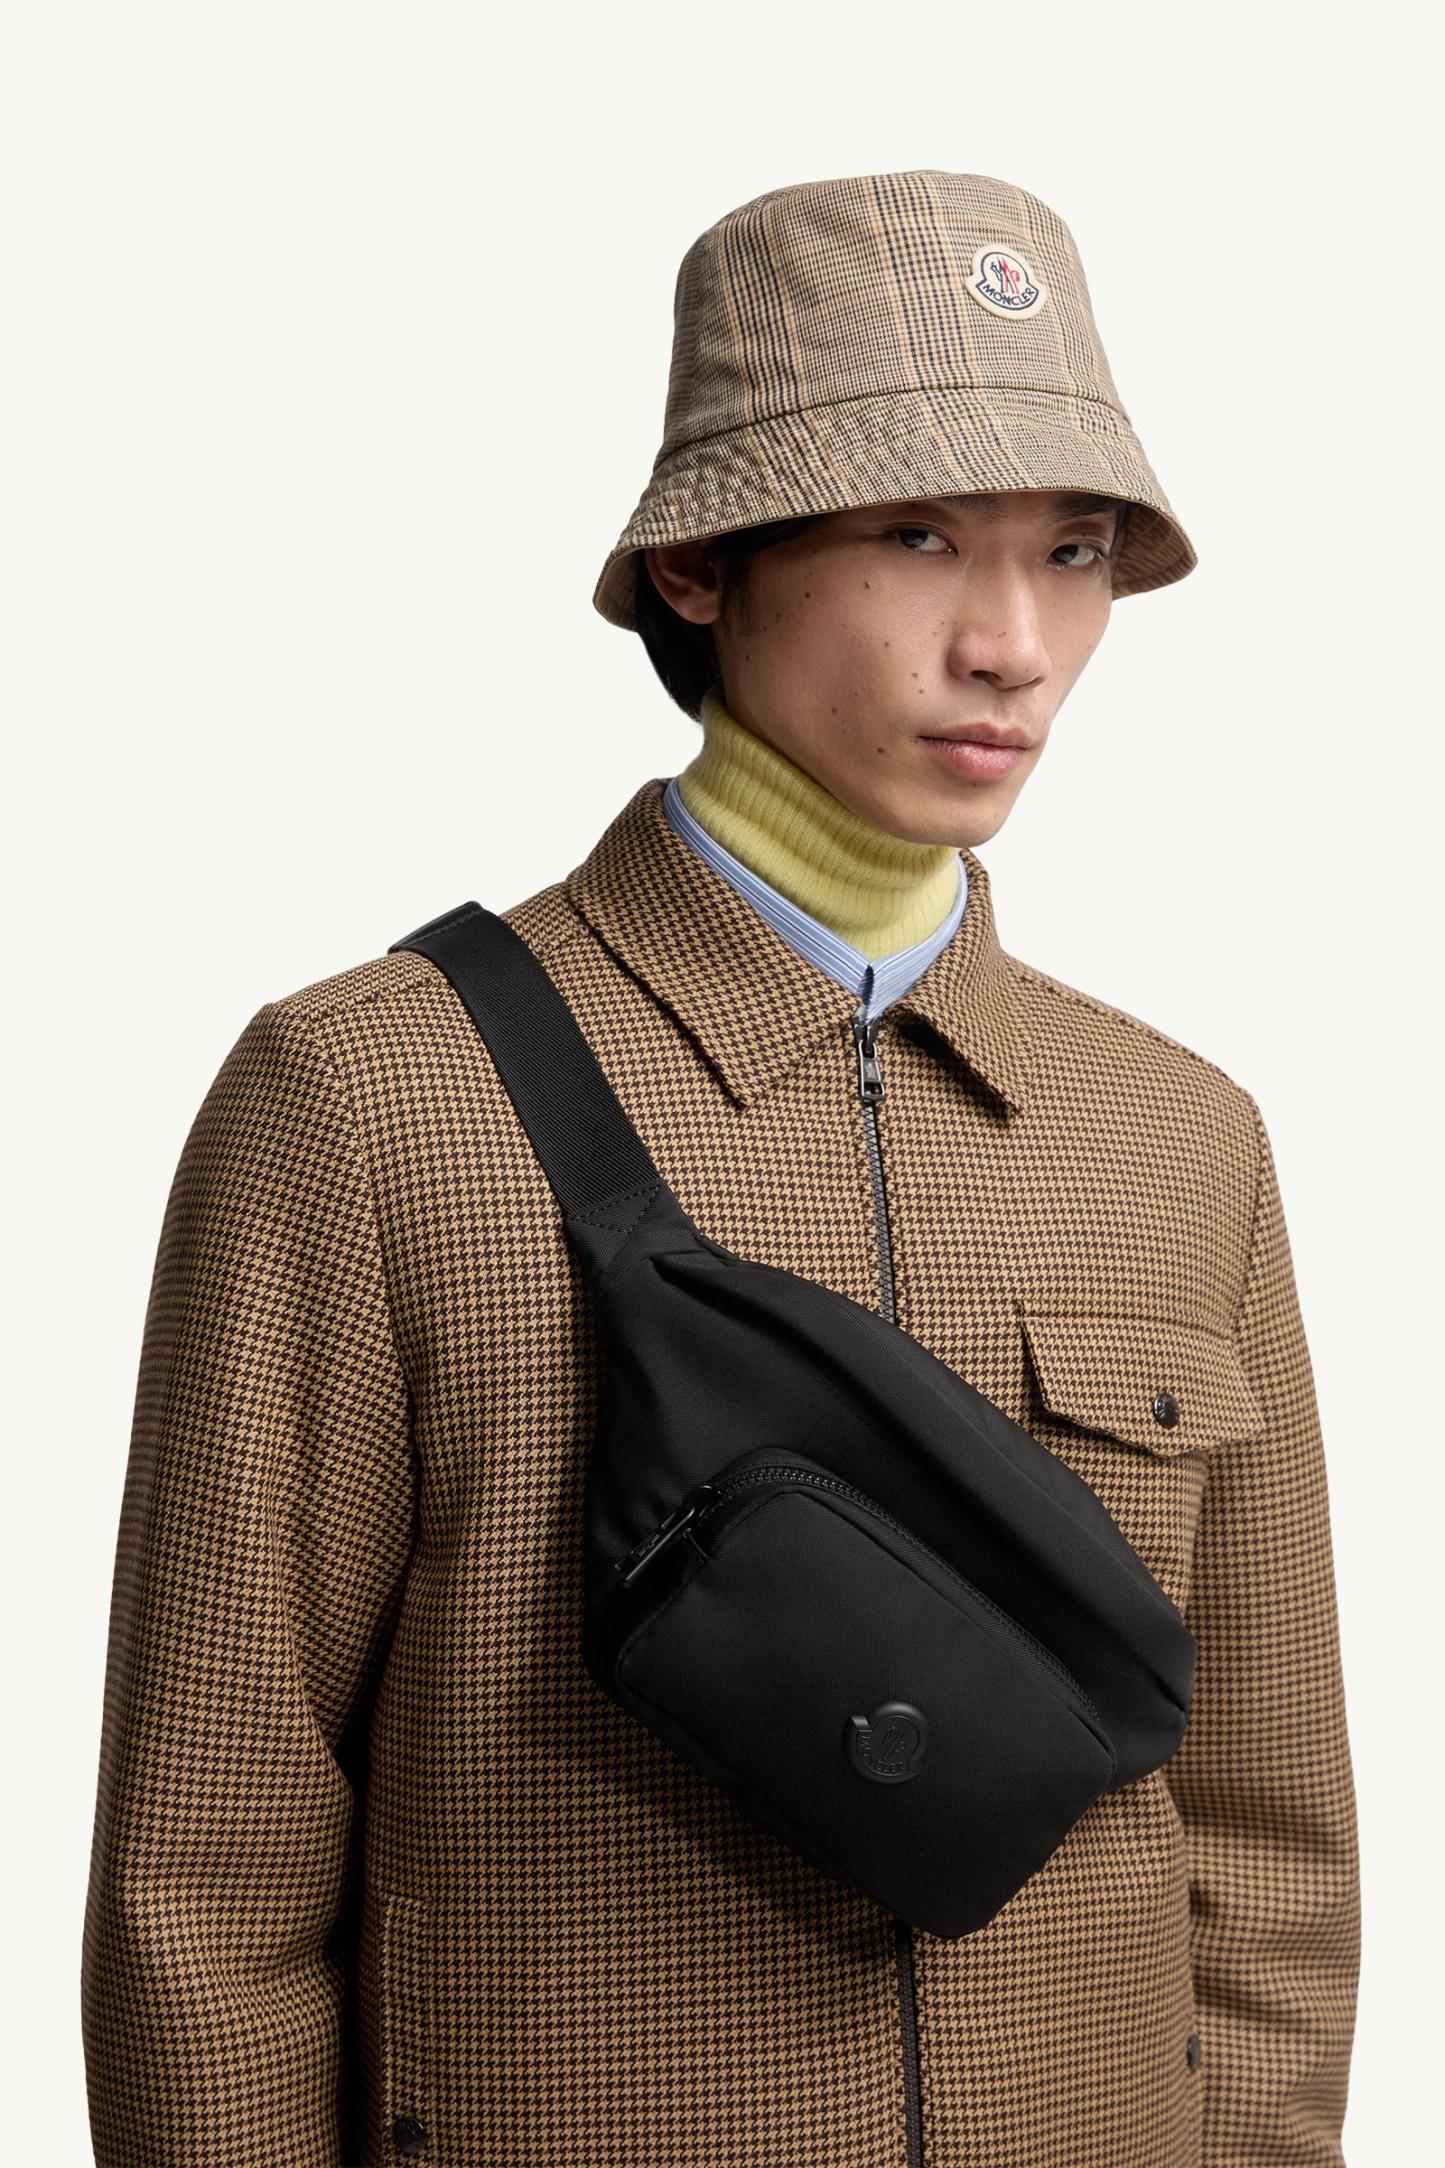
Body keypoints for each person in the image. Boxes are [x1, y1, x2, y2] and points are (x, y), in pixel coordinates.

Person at [81, 169, 1361, 2168]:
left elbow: (1267, 1859)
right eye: (917, 534)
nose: (1014, 643)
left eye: (1072, 551)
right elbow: (208, 1885)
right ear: (698, 564)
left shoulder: (1177, 1139)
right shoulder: (364, 1101)